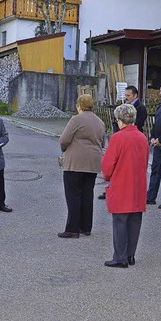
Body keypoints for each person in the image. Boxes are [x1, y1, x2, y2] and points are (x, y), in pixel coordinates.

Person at [101, 104, 149, 268]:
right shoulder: (142, 137)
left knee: (120, 222)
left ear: (120, 120)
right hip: (138, 185)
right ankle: (130, 255)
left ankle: (120, 257)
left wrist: (107, 176)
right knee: (134, 222)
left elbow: (107, 166)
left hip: (122, 184)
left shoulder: (117, 138)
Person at [58, 94, 105, 238]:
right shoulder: (100, 122)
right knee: (87, 194)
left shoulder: (76, 119)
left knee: (73, 195)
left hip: (75, 162)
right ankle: (86, 227)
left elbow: (64, 140)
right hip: (92, 163)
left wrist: (64, 149)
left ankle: (72, 228)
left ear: (79, 105)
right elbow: (102, 143)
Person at [98, 86, 147, 201]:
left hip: (132, 141)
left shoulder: (140, 108)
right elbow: (115, 122)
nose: (126, 97)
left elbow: (138, 124)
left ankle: (128, 191)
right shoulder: (122, 108)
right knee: (117, 165)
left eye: (128, 95)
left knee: (127, 167)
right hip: (122, 137)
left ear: (135, 95)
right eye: (125, 95)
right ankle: (112, 187)